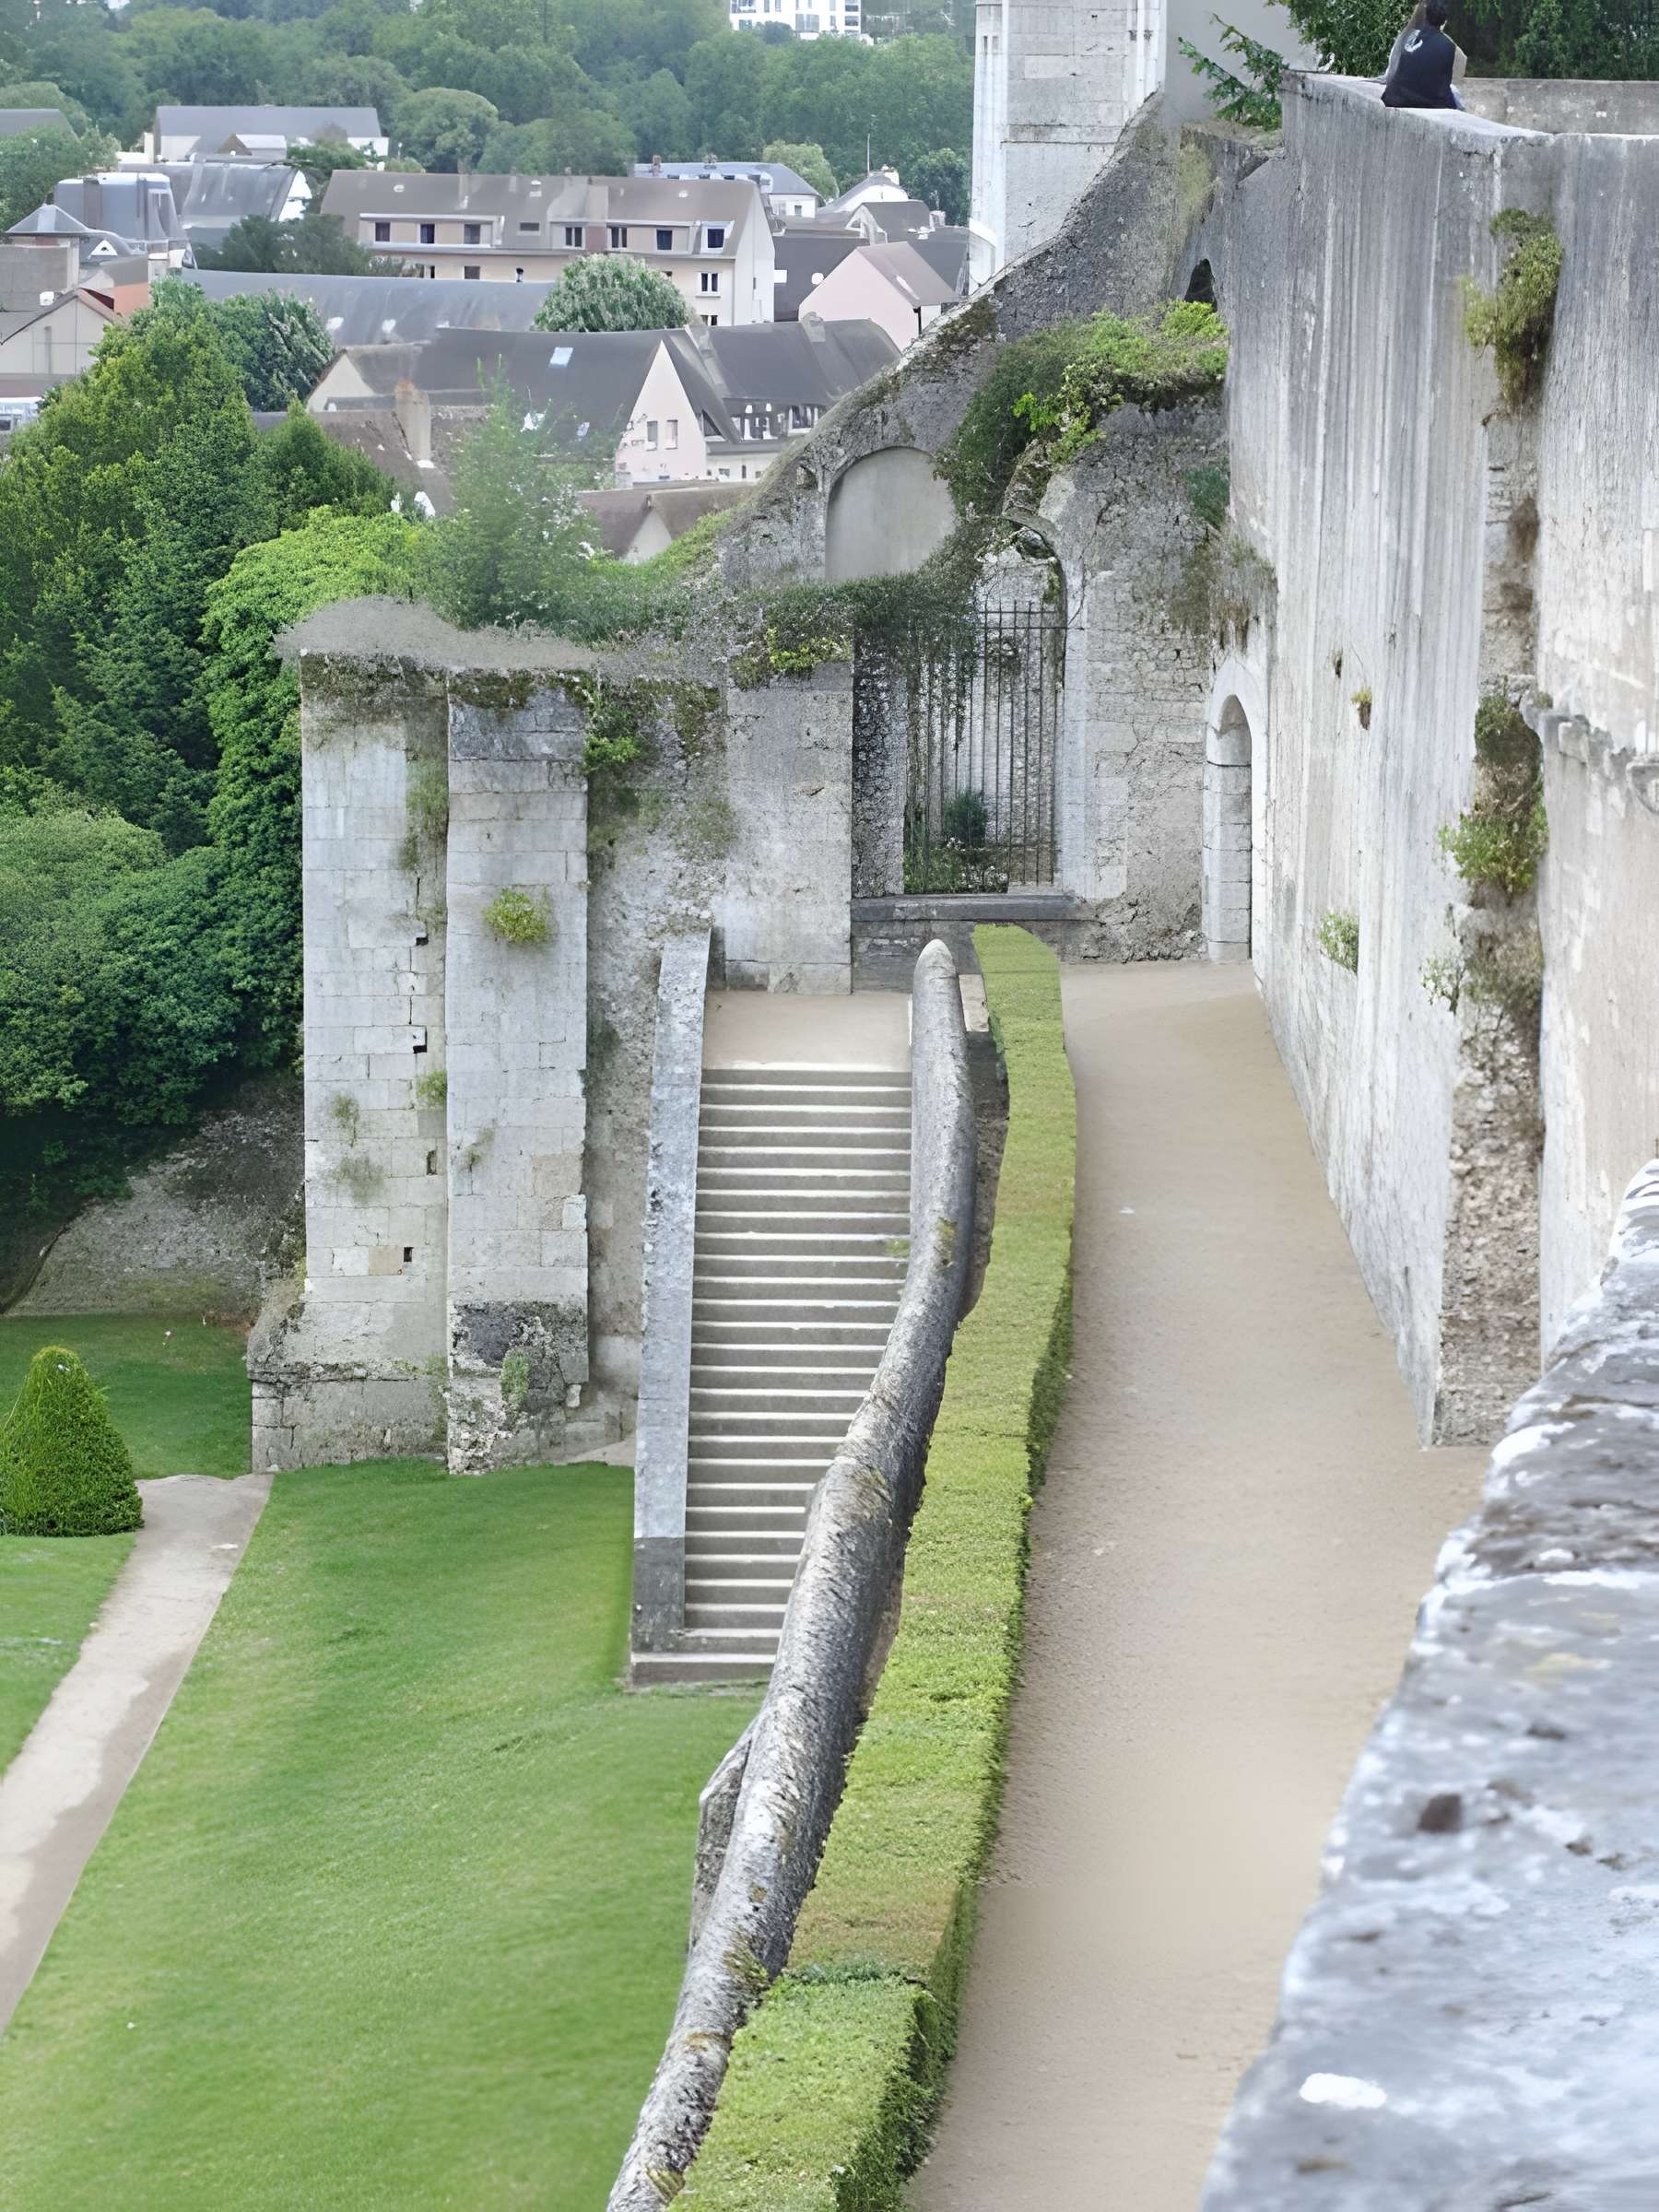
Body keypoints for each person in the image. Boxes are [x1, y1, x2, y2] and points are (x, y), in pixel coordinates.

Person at [1382, 0, 1463, 108]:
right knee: (1456, 96)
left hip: (1394, 97)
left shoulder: (1409, 35)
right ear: (1444, 21)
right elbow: (1443, 86)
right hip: (1423, 101)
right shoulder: (1448, 45)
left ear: (1426, 15)